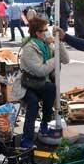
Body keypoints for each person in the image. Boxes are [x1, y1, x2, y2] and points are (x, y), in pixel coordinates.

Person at [17, 17, 70, 148]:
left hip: (43, 85)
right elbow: (41, 70)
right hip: (28, 84)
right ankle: (26, 139)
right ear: (37, 33)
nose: (47, 32)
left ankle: (44, 123)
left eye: (47, 29)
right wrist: (55, 59)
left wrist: (58, 43)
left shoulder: (48, 45)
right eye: (44, 30)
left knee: (51, 88)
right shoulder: (29, 48)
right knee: (33, 103)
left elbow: (66, 59)